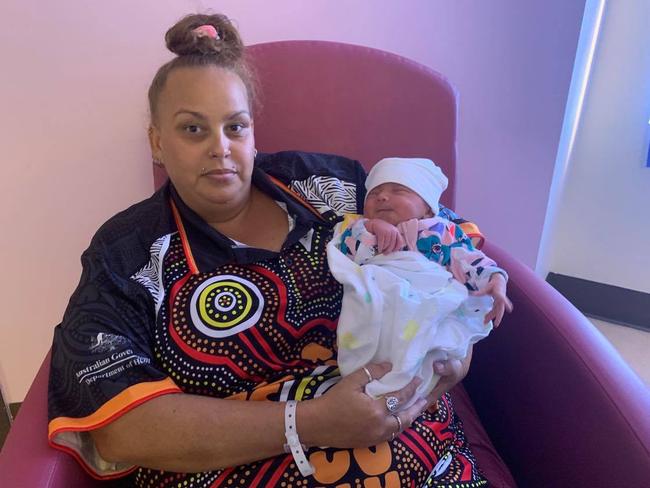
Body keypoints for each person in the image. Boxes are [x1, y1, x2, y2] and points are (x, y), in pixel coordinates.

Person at [47, 13, 491, 487]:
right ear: (157, 141)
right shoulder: (127, 253)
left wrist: (455, 351)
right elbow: (119, 427)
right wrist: (311, 421)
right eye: (193, 130)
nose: (220, 148)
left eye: (235, 127)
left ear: (253, 133)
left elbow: (445, 241)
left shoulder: (332, 186)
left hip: (430, 458)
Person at [327, 157, 513, 411]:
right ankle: (378, 381)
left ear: (427, 208)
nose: (382, 198)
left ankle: (414, 383)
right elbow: (349, 256)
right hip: (380, 297)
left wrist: (495, 279)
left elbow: (469, 260)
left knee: (432, 338)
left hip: (429, 299)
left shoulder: (442, 231)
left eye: (398, 191)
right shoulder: (359, 228)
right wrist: (372, 226)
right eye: (375, 194)